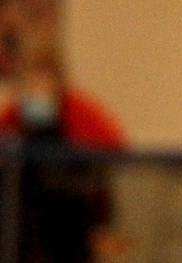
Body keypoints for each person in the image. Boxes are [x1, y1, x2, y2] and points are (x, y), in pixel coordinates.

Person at [0, 53, 126, 263]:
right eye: (31, 85)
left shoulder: (80, 111)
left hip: (72, 219)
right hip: (26, 222)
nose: (38, 92)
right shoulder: (14, 115)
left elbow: (116, 149)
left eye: (45, 83)